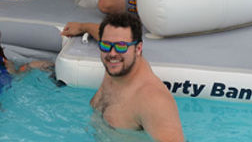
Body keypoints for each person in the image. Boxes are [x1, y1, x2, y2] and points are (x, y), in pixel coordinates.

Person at [61, 13, 184, 141]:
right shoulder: (114, 65)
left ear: (138, 49)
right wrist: (82, 27)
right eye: (106, 45)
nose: (112, 54)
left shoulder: (152, 100)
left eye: (121, 47)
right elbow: (107, 36)